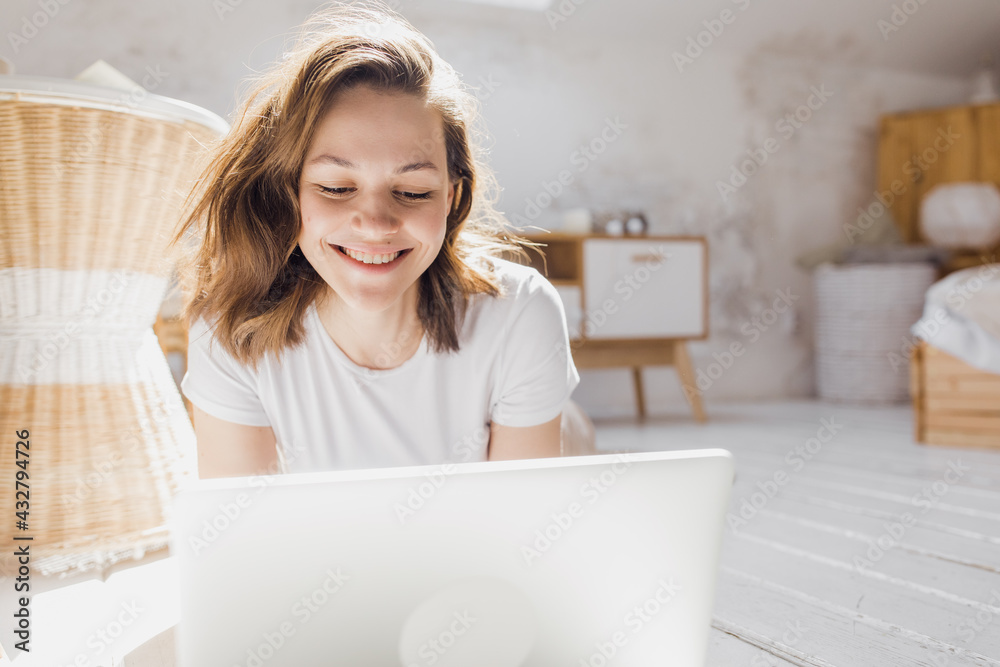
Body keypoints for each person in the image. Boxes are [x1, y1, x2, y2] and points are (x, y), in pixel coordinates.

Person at [170, 1, 593, 479]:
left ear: (451, 199)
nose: (375, 223)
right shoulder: (230, 328)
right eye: (335, 187)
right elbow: (245, 535)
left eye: (412, 192)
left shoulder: (521, 310)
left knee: (574, 441)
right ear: (288, 194)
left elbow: (520, 529)